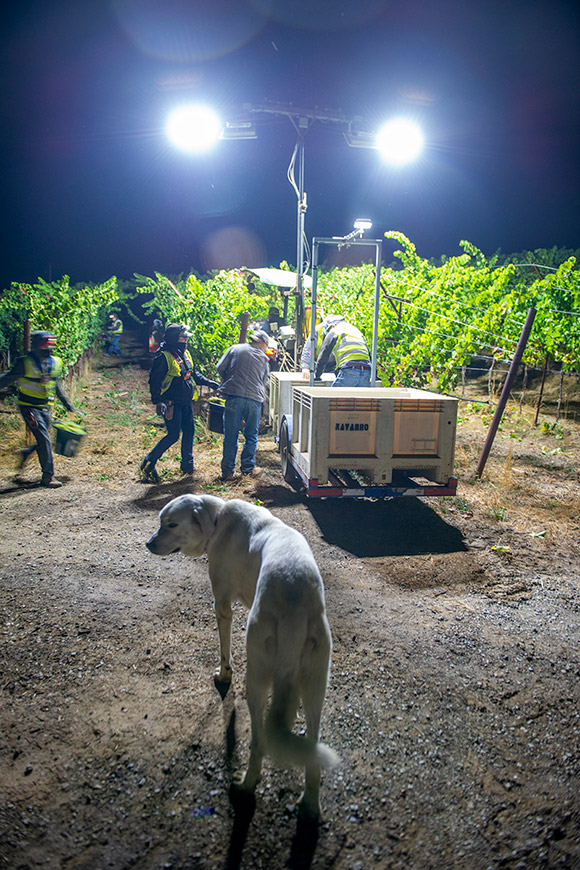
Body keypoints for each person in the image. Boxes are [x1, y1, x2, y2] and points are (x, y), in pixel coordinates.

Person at [140, 323, 219, 483]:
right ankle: (149, 461)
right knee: (173, 435)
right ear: (173, 338)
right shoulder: (163, 357)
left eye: (185, 337)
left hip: (185, 403)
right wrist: (158, 401)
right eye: (182, 337)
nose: (185, 340)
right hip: (171, 404)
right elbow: (154, 381)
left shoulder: (184, 353)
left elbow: (193, 374)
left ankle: (187, 466)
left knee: (189, 431)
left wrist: (210, 383)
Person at [0, 331, 77, 487]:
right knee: (44, 439)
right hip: (29, 408)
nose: (47, 349)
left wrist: (67, 403)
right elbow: (7, 379)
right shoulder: (25, 363)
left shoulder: (55, 362)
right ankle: (48, 477)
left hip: (45, 407)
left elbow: (56, 385)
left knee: (43, 439)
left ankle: (27, 452)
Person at [217, 329, 270, 481]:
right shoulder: (264, 359)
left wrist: (229, 380)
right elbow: (263, 382)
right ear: (262, 343)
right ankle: (247, 469)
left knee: (231, 435)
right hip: (254, 400)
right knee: (251, 436)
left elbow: (220, 367)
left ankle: (227, 472)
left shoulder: (235, 349)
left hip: (234, 397)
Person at [314, 314, 371, 387]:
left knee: (334, 397)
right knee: (358, 398)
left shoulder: (335, 331)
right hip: (366, 370)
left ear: (333, 325)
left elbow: (324, 355)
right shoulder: (356, 331)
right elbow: (368, 354)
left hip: (349, 369)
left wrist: (317, 376)